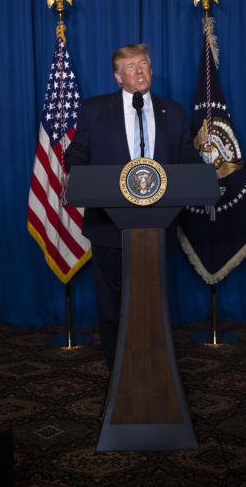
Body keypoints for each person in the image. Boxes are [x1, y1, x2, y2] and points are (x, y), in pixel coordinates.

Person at [65, 43, 202, 371]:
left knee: (152, 298)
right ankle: (117, 366)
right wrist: (74, 169)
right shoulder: (95, 109)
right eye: (130, 67)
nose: (139, 71)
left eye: (144, 64)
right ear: (117, 77)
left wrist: (201, 173)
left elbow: (185, 154)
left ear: (151, 70)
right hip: (108, 224)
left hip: (158, 223)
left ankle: (155, 361)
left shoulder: (174, 111)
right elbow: (78, 151)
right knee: (111, 303)